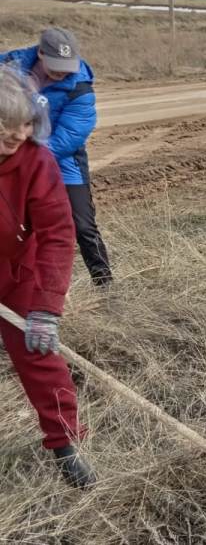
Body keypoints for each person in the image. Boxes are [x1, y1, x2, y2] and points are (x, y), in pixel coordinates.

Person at [0, 67, 95, 488]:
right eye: (5, 128)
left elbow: (58, 234)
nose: (18, 135)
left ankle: (65, 445)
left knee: (39, 356)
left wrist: (45, 308)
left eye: (24, 124)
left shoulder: (36, 161)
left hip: (19, 272)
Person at [0, 28, 113, 287]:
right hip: (13, 158)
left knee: (82, 226)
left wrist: (27, 160)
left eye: (67, 66)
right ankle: (22, 288)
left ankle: (105, 283)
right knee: (16, 228)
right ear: (40, 52)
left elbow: (68, 138)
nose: (62, 72)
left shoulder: (80, 88)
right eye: (55, 65)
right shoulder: (9, 65)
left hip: (64, 164)